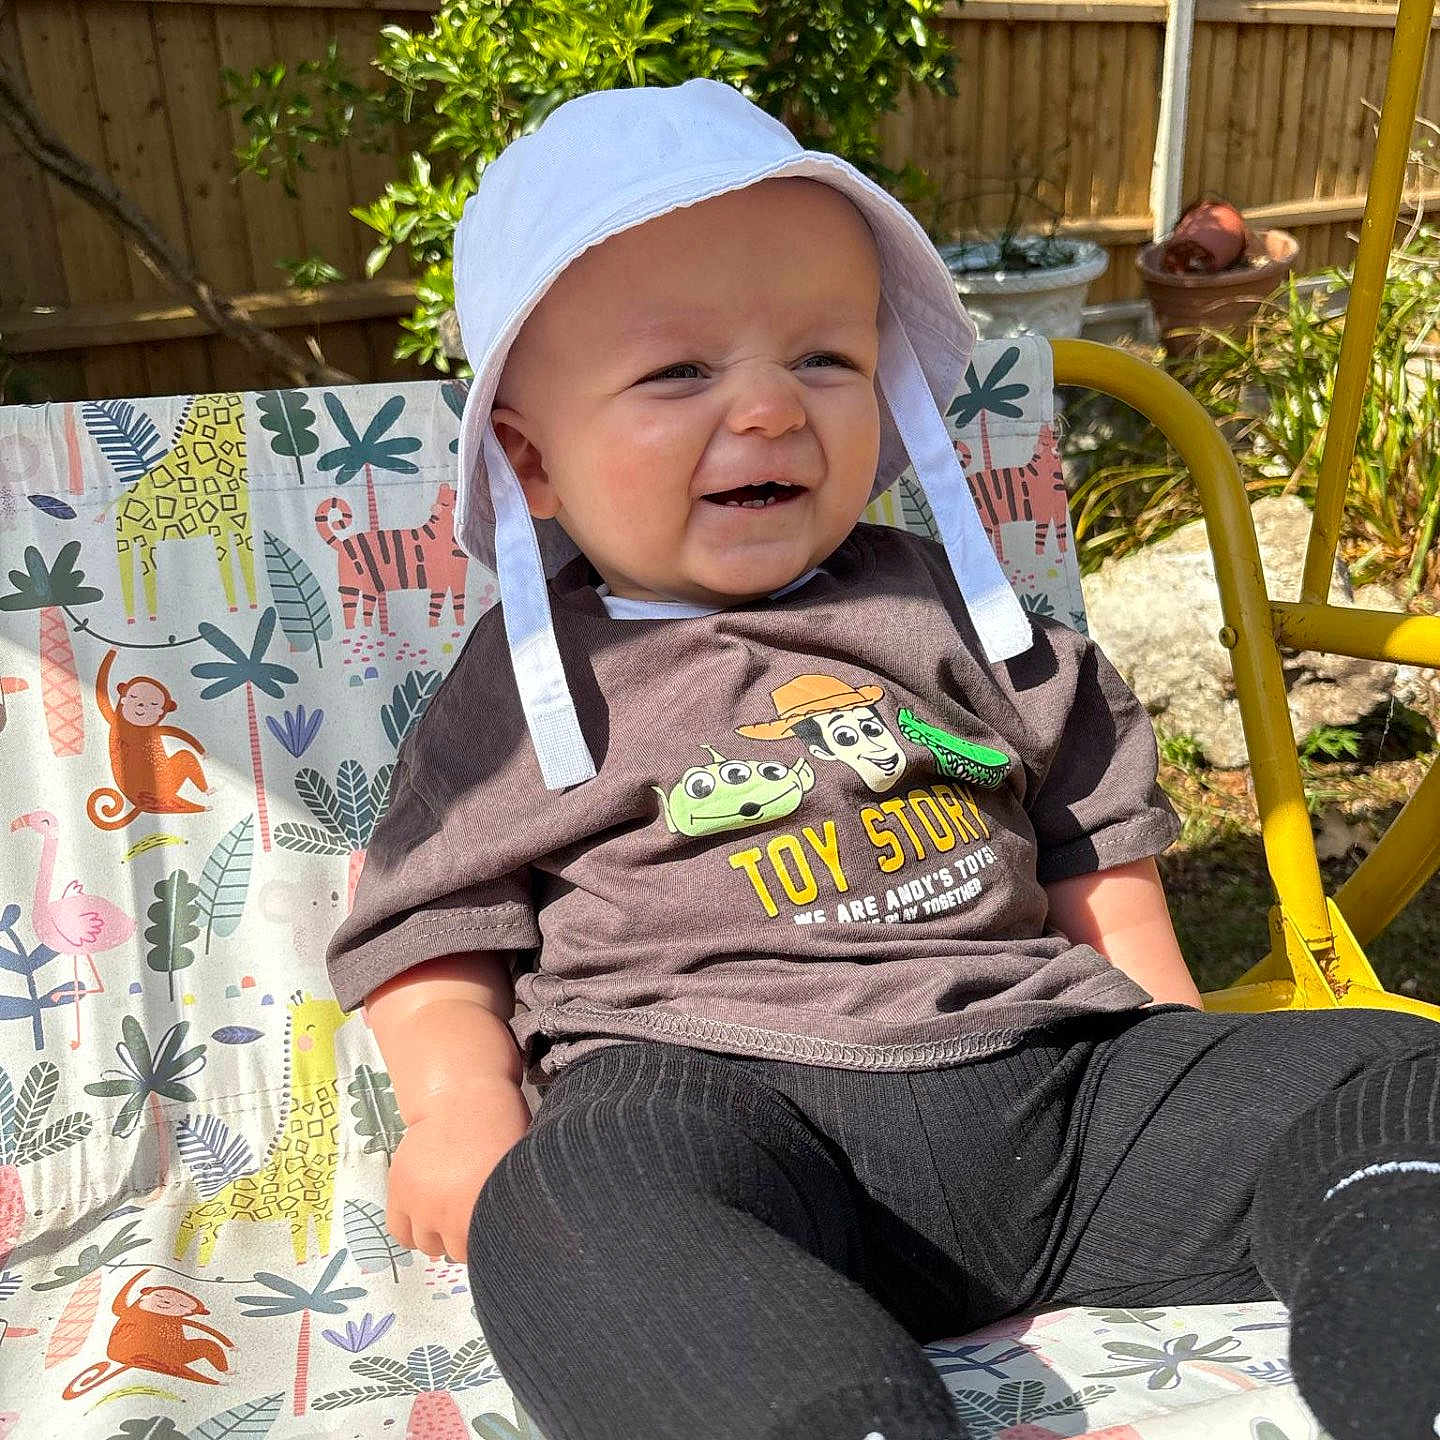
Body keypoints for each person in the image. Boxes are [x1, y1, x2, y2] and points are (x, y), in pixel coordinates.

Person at [325, 78, 1440, 1440]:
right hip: (720, 1108)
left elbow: (1091, 813)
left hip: (1059, 1093)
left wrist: (1163, 1029)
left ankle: (1406, 1334)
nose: (770, 411)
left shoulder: (945, 608)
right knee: (566, 1212)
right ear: (530, 462)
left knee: (1391, 1069)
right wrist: (455, 1102)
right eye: (680, 372)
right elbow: (429, 918)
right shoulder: (527, 679)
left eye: (826, 360)